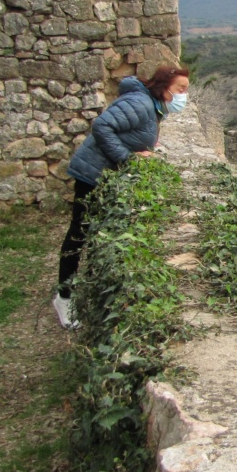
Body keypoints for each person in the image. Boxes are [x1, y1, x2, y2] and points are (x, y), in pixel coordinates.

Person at [53, 65, 190, 329]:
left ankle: (85, 290)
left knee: (94, 232)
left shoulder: (152, 107)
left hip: (101, 174)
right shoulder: (141, 103)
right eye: (180, 89)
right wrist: (126, 158)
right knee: (78, 234)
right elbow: (102, 126)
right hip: (91, 174)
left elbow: (130, 132)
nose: (183, 96)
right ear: (163, 87)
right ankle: (64, 298)